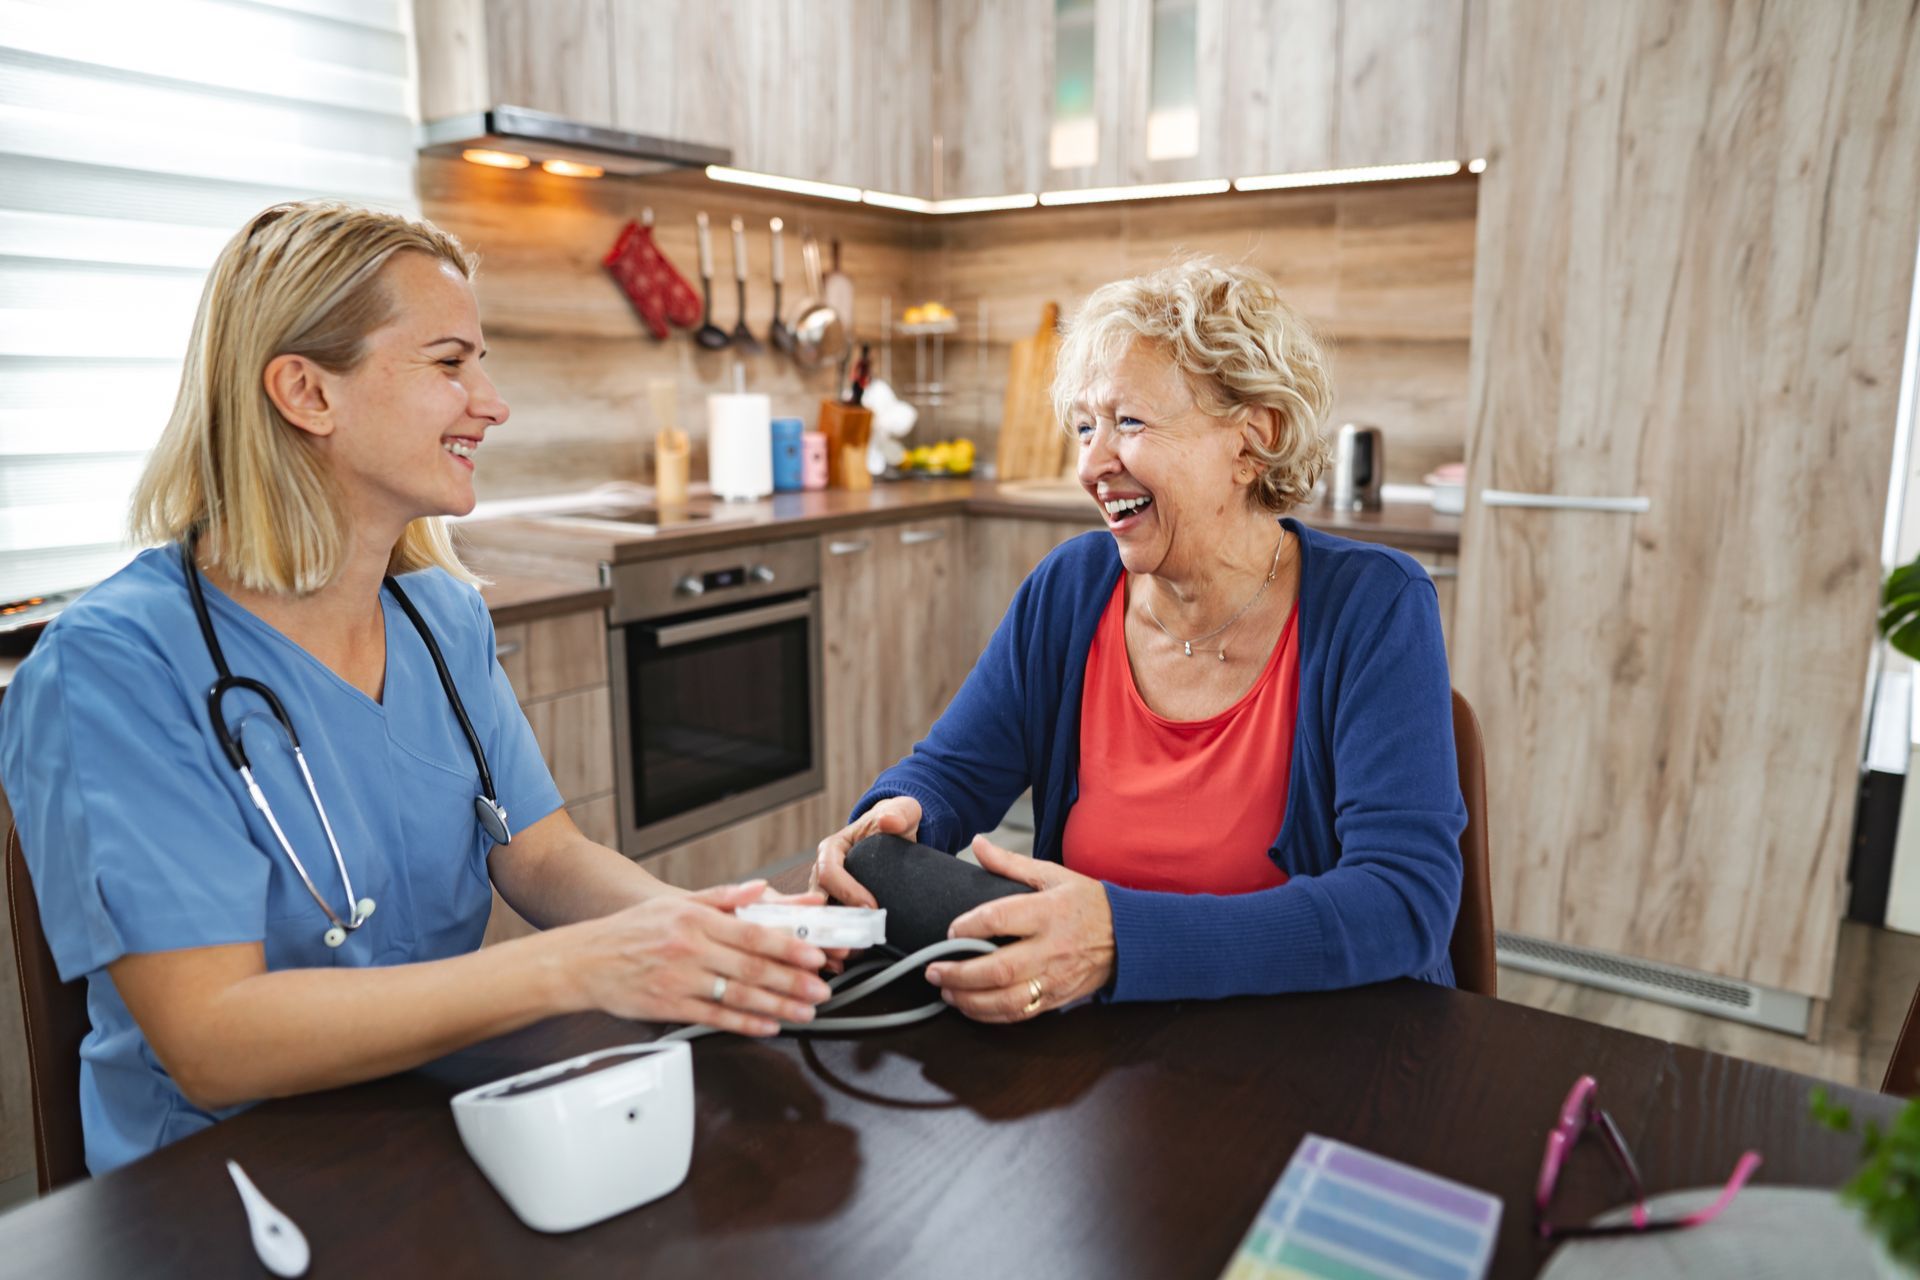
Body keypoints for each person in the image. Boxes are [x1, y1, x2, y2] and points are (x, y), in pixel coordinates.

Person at [0, 201, 832, 1174]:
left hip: (434, 1114)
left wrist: (690, 932)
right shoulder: (114, 667)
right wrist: (575, 966)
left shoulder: (442, 618)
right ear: (307, 392)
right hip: (222, 1183)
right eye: (450, 363)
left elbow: (543, 854)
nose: (491, 400)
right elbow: (213, 1038)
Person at [814, 259, 1465, 1021]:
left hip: (1312, 1054)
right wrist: (898, 813)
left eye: (1129, 423)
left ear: (1254, 439)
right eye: (1086, 427)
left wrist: (1120, 940)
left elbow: (1404, 903)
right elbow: (950, 771)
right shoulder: (1071, 590)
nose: (1091, 464)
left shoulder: (1375, 605)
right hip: (1096, 1052)